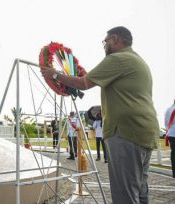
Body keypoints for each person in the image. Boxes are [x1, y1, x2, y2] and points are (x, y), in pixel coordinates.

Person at [43, 26, 159, 204]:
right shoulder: (137, 60)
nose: (104, 46)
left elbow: (83, 83)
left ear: (114, 39)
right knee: (140, 192)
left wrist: (56, 75)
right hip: (144, 131)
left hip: (125, 132)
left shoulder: (117, 59)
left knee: (125, 196)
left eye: (105, 42)